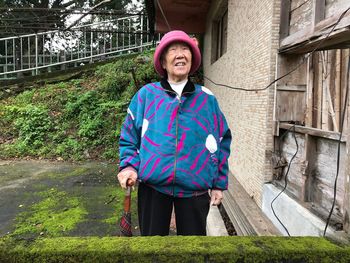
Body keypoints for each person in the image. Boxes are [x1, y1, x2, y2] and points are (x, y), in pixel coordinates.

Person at [117, 30, 231, 236]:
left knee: (192, 249)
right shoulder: (146, 96)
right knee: (152, 248)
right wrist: (129, 166)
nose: (180, 54)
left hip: (194, 189)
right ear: (163, 60)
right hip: (153, 187)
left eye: (185, 49)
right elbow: (128, 137)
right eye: (173, 50)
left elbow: (222, 140)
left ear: (193, 57)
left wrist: (218, 184)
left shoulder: (207, 99)